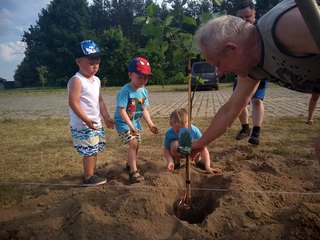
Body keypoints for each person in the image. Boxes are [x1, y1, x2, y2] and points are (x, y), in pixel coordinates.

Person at [192, 0, 320, 159]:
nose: (218, 72)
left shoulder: (287, 27)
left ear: (232, 49)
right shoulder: (252, 68)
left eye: (218, 64)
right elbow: (230, 110)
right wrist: (199, 143)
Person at [68, 40, 114, 187]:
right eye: (91, 63)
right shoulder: (77, 80)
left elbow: (99, 100)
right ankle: (88, 177)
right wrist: (86, 120)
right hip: (83, 124)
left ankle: (92, 173)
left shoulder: (96, 80)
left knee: (94, 148)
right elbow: (73, 102)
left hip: (94, 122)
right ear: (79, 61)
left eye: (97, 63)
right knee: (88, 150)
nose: (95, 66)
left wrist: (106, 117)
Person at [114, 57, 159, 183]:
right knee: (133, 143)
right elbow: (122, 111)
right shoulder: (125, 91)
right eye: (140, 77)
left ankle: (130, 163)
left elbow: (143, 109)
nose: (143, 80)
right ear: (130, 75)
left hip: (134, 122)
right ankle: (133, 171)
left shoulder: (143, 92)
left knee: (137, 144)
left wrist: (150, 124)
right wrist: (130, 127)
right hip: (123, 122)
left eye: (146, 77)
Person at [233, 1, 269, 145]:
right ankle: (245, 128)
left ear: (254, 13)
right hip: (241, 72)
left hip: (260, 71)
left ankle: (256, 132)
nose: (244, 21)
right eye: (240, 18)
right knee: (240, 102)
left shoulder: (262, 29)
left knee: (257, 100)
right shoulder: (234, 32)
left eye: (247, 16)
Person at [164, 108, 222, 174]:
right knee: (174, 144)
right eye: (177, 131)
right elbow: (166, 149)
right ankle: (176, 162)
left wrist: (208, 166)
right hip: (177, 152)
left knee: (199, 144)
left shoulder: (194, 131)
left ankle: (198, 161)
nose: (181, 133)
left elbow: (203, 148)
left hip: (192, 152)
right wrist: (170, 161)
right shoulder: (169, 133)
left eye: (184, 129)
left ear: (190, 123)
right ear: (171, 125)